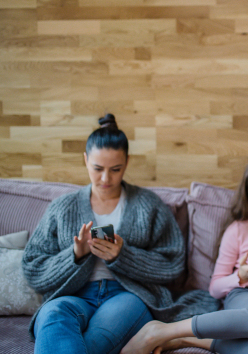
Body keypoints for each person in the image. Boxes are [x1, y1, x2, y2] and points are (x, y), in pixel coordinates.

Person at [22, 114, 218, 354]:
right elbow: (33, 268)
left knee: (95, 341)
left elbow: (172, 263)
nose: (106, 178)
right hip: (74, 295)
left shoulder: (148, 205)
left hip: (126, 296)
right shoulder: (62, 207)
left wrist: (123, 256)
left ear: (127, 162)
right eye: (97, 168)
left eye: (115, 169)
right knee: (52, 314)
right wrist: (75, 255)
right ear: (85, 160)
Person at [120, 155, 248, 354]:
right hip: (246, 296)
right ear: (247, 196)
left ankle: (187, 340)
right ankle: (165, 330)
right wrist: (241, 277)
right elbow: (215, 288)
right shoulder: (237, 230)